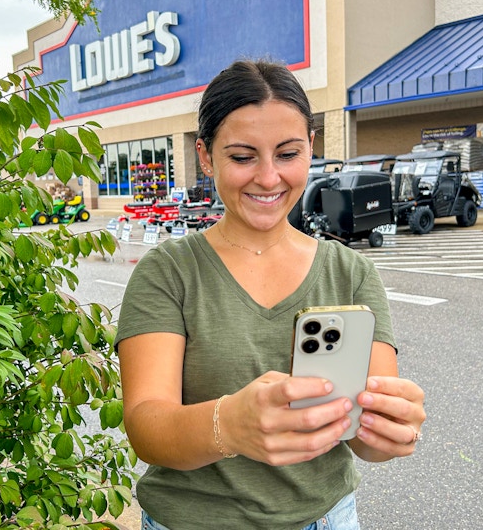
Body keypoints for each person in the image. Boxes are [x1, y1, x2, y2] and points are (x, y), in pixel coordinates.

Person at [115, 59, 426, 530]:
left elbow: (364, 440)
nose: (267, 177)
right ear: (205, 155)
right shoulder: (168, 272)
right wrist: (230, 424)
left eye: (287, 154)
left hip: (327, 518)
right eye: (242, 157)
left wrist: (388, 431)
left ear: (311, 148)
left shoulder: (351, 271)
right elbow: (147, 427)